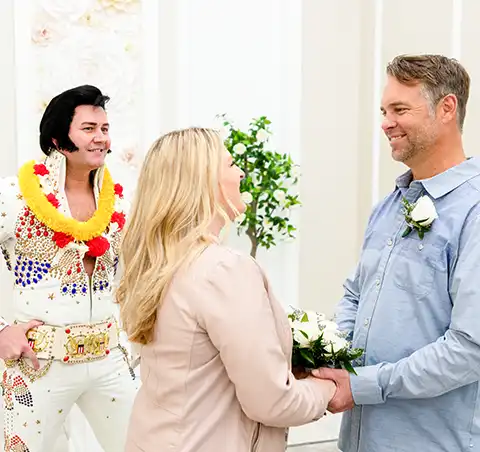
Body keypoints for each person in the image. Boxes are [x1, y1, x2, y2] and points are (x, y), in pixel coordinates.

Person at [117, 127, 336, 452]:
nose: (242, 173)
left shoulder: (155, 264)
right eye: (232, 164)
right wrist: (327, 389)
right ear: (205, 182)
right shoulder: (224, 269)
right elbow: (272, 402)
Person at [313, 54, 480, 452]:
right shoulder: (387, 208)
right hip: (359, 441)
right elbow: (355, 295)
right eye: (384, 111)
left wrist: (363, 385)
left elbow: (470, 348)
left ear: (447, 108)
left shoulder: (474, 211)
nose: (386, 122)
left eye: (400, 110)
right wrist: (331, 356)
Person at [0, 85, 137, 452]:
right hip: (39, 362)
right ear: (58, 140)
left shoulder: (118, 201)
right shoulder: (15, 197)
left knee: (144, 445)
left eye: (105, 129)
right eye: (89, 128)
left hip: (109, 359)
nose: (101, 138)